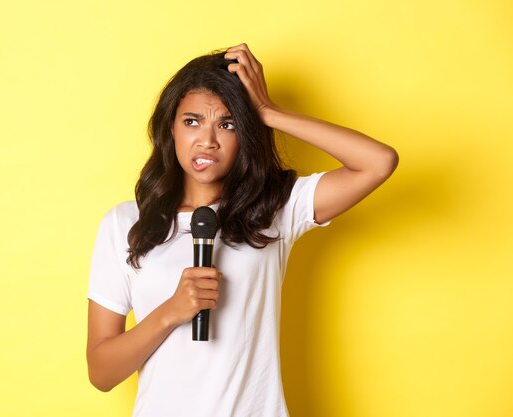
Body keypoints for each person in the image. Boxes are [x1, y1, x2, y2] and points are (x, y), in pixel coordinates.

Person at [86, 43, 398, 416]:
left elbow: (378, 163)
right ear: (171, 128)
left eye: (227, 123)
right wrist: (171, 310)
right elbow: (101, 372)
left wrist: (268, 111)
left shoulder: (274, 209)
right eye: (192, 121)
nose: (207, 140)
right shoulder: (125, 223)